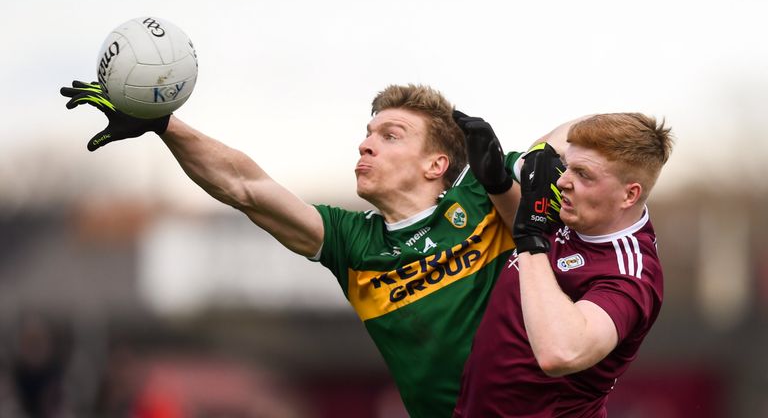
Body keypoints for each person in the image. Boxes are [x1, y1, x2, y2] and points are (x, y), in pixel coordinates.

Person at [59, 81, 558, 417]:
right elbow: (245, 186)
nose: (366, 145)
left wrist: (504, 182)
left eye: (391, 135)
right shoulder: (352, 241)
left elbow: (566, 167)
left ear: (436, 164)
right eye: (367, 134)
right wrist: (164, 123)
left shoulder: (482, 193)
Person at [452, 113, 674, 417]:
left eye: (583, 174)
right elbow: (552, 146)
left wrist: (529, 239)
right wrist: (501, 181)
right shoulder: (580, 208)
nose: (562, 181)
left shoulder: (631, 273)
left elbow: (560, 353)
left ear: (629, 194)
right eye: (567, 165)